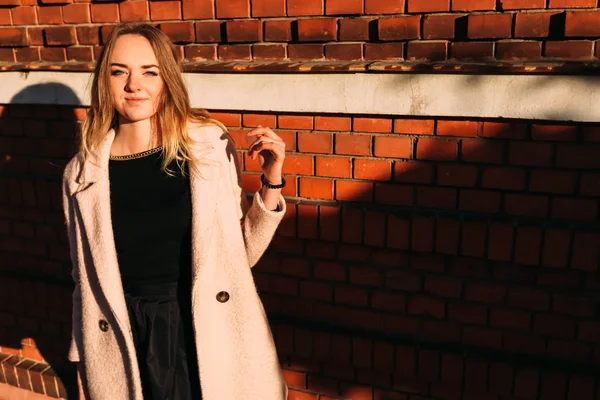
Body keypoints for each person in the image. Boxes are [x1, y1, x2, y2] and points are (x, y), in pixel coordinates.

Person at [62, 22, 288, 400]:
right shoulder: (80, 174)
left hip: (202, 328)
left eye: (149, 72)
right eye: (120, 71)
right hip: (123, 337)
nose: (135, 85)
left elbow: (241, 254)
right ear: (105, 81)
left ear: (167, 78)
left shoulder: (208, 146)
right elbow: (82, 278)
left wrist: (272, 180)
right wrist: (83, 359)